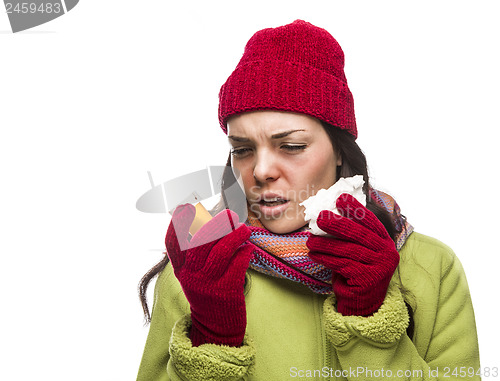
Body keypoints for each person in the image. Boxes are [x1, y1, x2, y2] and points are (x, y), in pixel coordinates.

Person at [136, 20, 480, 380]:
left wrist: (370, 321)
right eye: (242, 149)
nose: (261, 170)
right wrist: (213, 335)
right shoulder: (198, 271)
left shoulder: (429, 268)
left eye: (292, 146)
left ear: (339, 152)